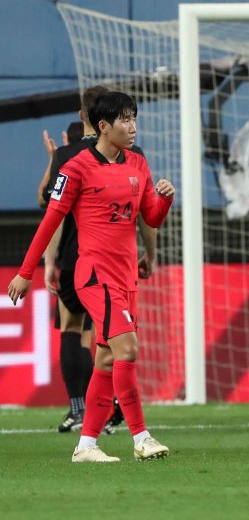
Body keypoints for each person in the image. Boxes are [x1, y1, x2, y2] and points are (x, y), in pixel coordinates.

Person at [8, 91, 175, 463]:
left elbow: (151, 216)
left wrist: (164, 198)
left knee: (105, 359)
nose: (133, 127)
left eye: (134, 119)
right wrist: (25, 272)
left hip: (127, 276)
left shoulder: (137, 163)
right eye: (125, 120)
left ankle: (86, 446)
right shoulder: (76, 168)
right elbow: (51, 220)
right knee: (127, 349)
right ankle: (142, 438)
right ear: (103, 126)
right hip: (94, 274)